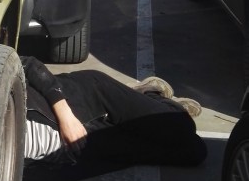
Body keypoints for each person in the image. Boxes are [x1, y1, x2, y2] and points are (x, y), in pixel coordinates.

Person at [22, 56, 207, 170]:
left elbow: (28, 64)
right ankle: (146, 101)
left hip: (90, 97)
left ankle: (151, 96)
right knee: (194, 153)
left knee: (181, 126)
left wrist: (66, 117)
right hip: (81, 146)